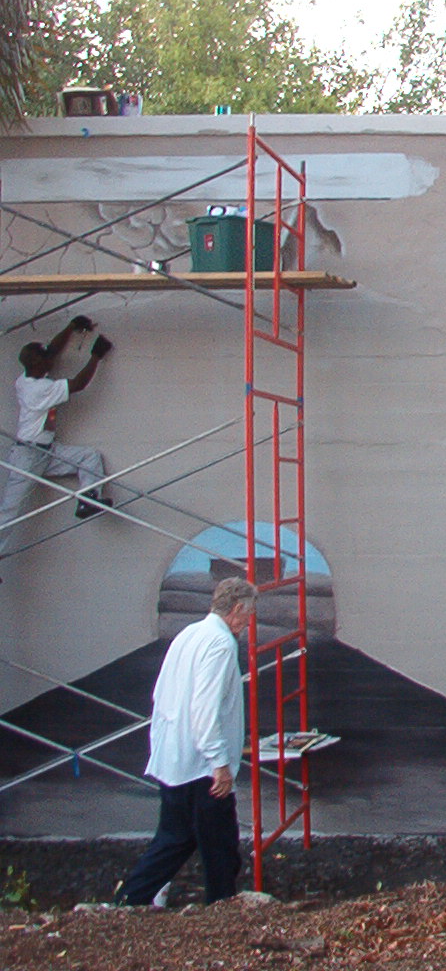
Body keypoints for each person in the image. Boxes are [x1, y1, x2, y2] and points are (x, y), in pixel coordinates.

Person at [117, 577, 256, 907]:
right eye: (248, 615)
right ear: (237, 610)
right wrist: (219, 762)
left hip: (175, 757)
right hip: (201, 766)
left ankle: (129, 898)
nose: (249, 623)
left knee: (175, 838)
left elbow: (162, 694)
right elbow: (205, 707)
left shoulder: (189, 634)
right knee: (218, 844)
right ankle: (222, 906)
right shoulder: (221, 645)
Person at [0, 315, 114, 555]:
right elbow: (78, 384)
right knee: (9, 512)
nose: (51, 361)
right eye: (46, 359)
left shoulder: (28, 377)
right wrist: (96, 356)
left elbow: (51, 350)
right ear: (36, 364)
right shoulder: (37, 389)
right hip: (27, 457)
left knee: (89, 457)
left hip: (47, 452)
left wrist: (72, 327)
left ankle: (88, 499)